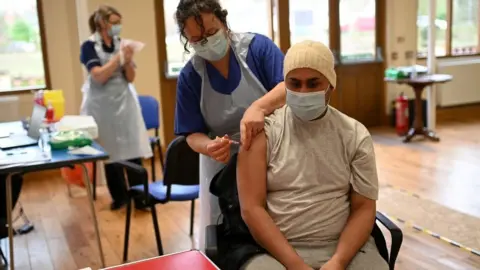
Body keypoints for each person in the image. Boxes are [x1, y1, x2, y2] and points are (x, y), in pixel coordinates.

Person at [237, 40, 389, 270]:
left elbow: (364, 208)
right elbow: (252, 208)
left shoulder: (355, 135)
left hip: (344, 247)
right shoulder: (262, 134)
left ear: (331, 86)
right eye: (294, 83)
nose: (303, 92)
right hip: (275, 250)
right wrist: (296, 265)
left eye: (313, 83)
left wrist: (338, 262)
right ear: (284, 84)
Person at [173, 0, 287, 248]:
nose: (206, 42)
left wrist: (259, 107)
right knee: (226, 236)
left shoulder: (257, 49)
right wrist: (208, 147)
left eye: (211, 33)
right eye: (197, 40)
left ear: (223, 22)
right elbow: (192, 133)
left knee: (278, 228)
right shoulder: (191, 76)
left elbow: (286, 86)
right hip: (222, 166)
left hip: (272, 156)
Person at [79, 5, 152, 210]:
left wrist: (127, 62)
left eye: (120, 23)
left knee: (133, 148)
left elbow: (130, 77)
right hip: (102, 105)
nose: (118, 27)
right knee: (110, 151)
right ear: (102, 23)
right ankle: (120, 197)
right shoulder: (89, 46)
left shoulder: (123, 44)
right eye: (114, 23)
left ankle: (141, 197)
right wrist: (117, 59)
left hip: (125, 102)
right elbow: (99, 76)